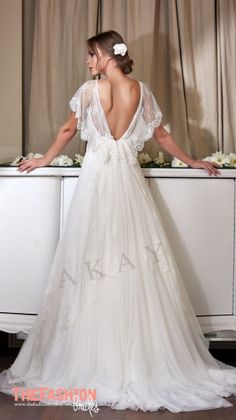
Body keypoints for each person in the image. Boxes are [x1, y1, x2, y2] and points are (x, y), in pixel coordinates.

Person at [0, 30, 236, 413]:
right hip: (127, 184)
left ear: (108, 55)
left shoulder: (91, 90)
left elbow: (67, 129)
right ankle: (139, 360)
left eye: (91, 55)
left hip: (97, 184)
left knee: (90, 259)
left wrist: (44, 159)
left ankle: (92, 358)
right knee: (136, 262)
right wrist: (192, 160)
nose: (88, 61)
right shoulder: (140, 91)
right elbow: (160, 135)